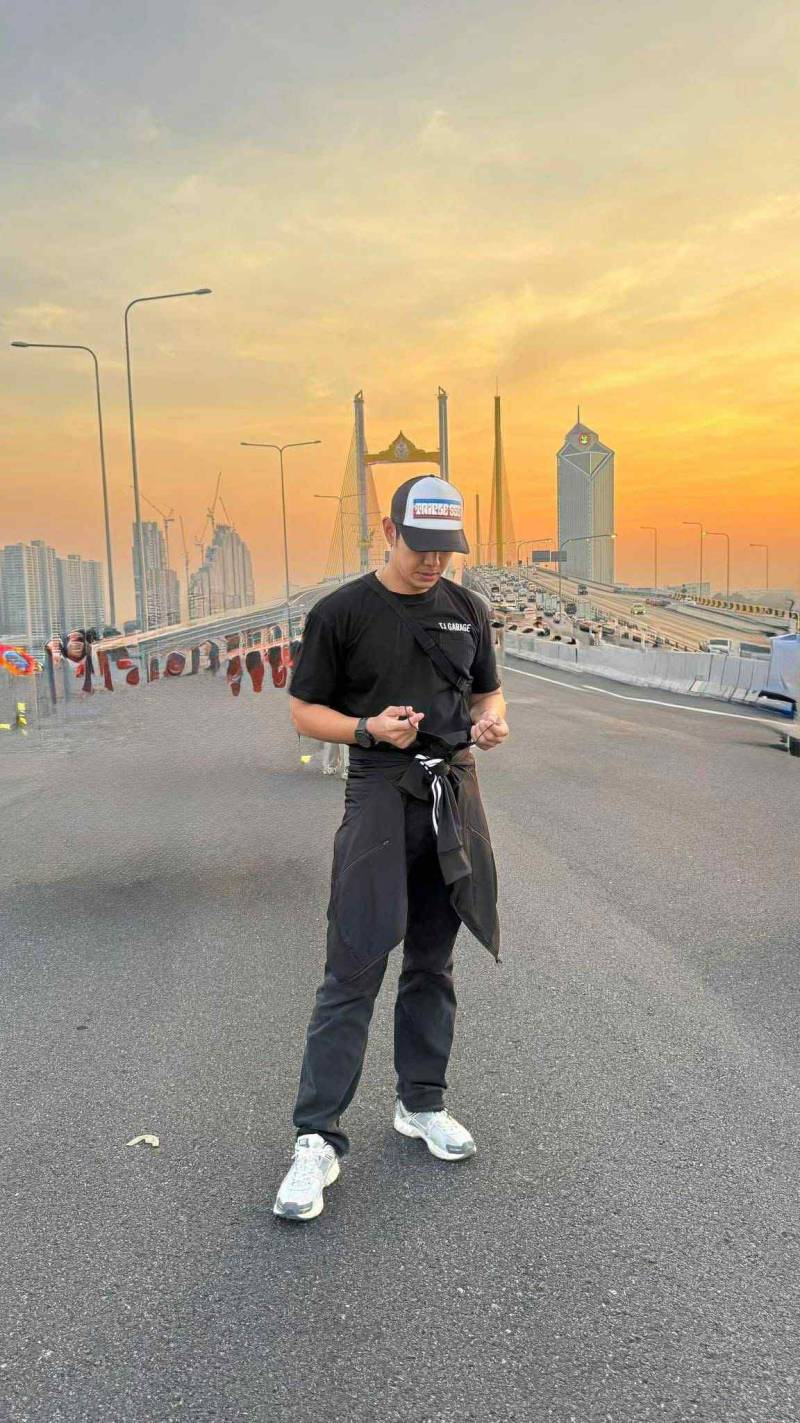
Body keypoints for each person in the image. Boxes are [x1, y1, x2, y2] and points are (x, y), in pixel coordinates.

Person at [273, 474, 509, 1221]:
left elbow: (487, 692)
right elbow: (303, 712)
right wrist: (366, 728)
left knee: (433, 960)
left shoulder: (468, 609)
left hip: (452, 793)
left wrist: (493, 722)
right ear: (388, 530)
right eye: (420, 546)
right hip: (378, 790)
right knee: (354, 964)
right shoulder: (341, 612)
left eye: (446, 549)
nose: (433, 562)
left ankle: (422, 1102)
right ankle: (316, 1138)